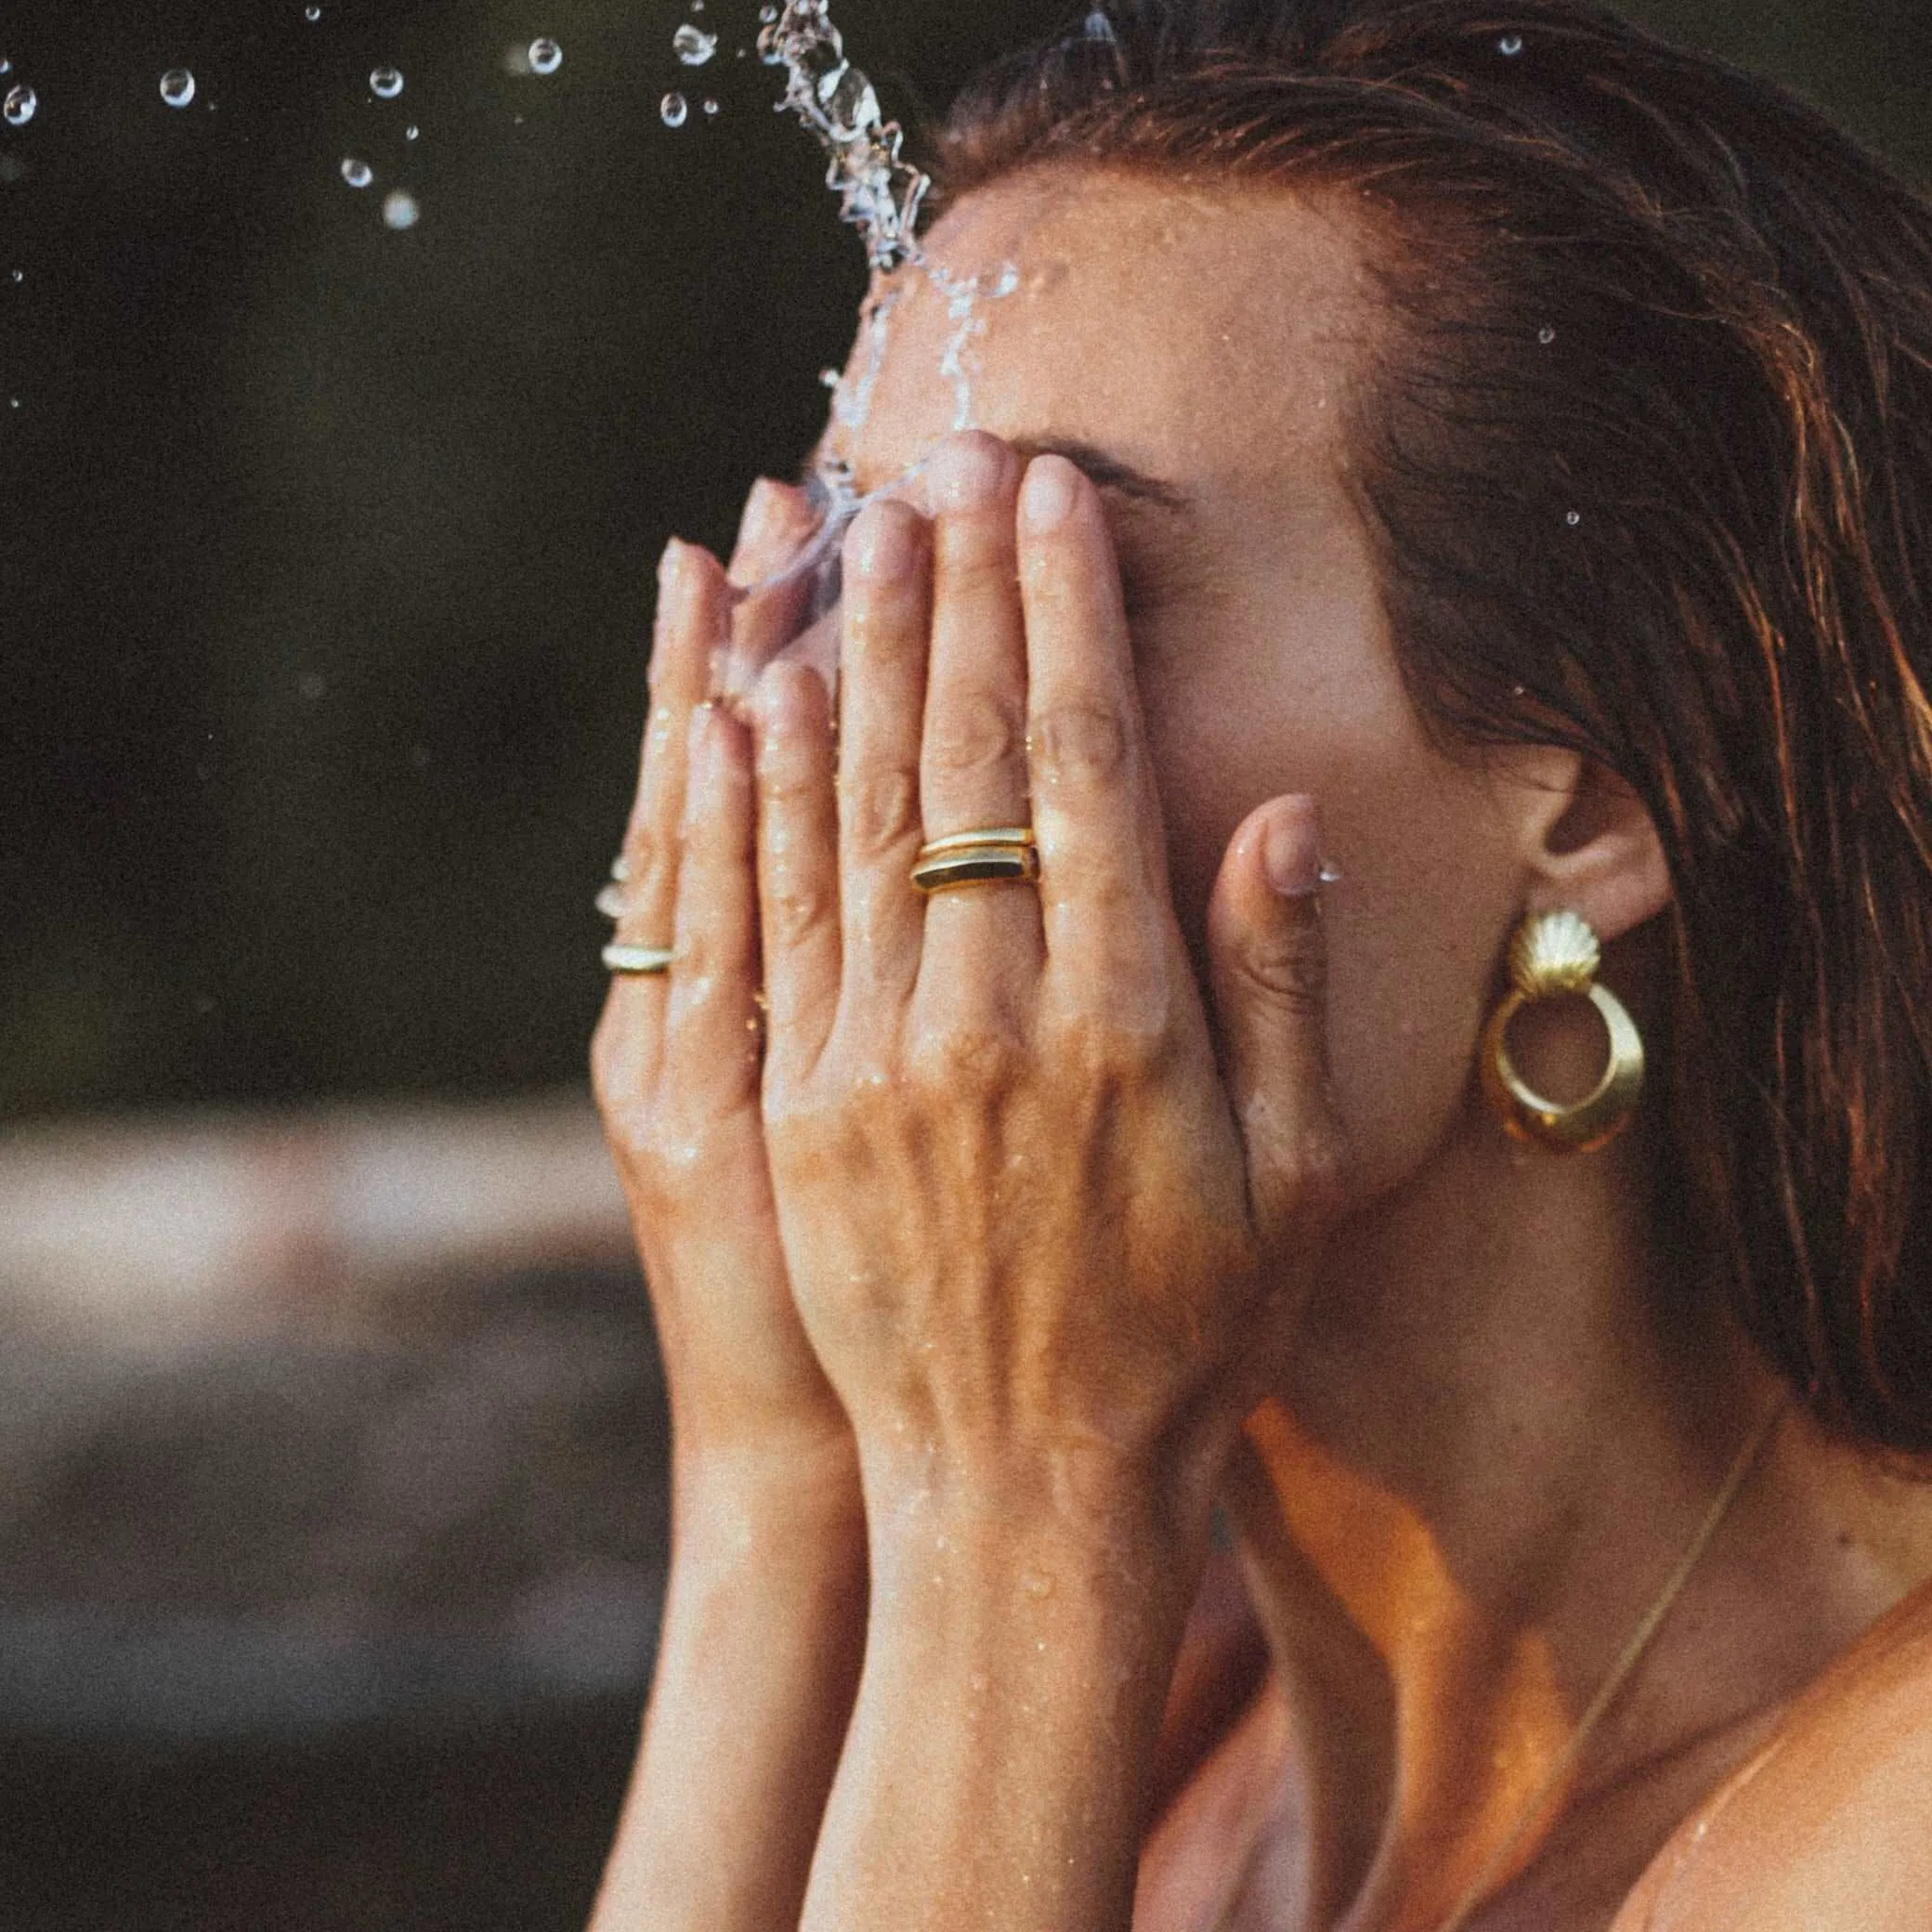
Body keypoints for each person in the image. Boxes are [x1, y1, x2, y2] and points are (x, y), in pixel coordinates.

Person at [586, 1, 1932, 1925]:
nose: (812, 707)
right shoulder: (1158, 1725)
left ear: (1611, 782)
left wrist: (1021, 1478)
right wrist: (772, 1485)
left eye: (1037, 590)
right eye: (848, 558)